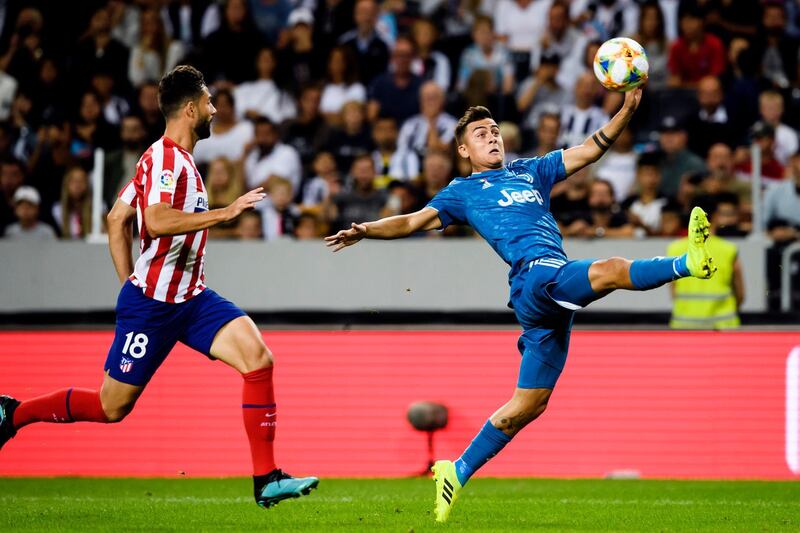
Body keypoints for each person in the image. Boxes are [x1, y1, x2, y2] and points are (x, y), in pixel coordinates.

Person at [325, 89, 717, 522]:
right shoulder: (462, 192)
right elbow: (412, 221)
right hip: (535, 277)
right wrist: (366, 229)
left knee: (529, 404)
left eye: (495, 131)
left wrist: (625, 110)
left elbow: (589, 150)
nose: (492, 137)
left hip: (550, 292)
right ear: (463, 149)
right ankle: (686, 262)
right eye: (480, 133)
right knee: (609, 269)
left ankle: (456, 470)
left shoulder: (531, 171)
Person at [0, 66, 318, 508]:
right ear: (190, 109)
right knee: (112, 407)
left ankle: (266, 479)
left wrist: (127, 281)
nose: (214, 109)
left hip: (192, 298)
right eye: (208, 102)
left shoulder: (160, 158)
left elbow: (116, 219)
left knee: (258, 357)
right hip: (153, 306)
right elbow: (155, 219)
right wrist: (222, 215)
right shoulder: (168, 160)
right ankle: (13, 414)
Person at [668, 201, 745, 329]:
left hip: (684, 324)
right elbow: (740, 293)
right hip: (723, 325)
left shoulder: (674, 249)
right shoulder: (729, 249)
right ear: (715, 217)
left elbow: (673, 292)